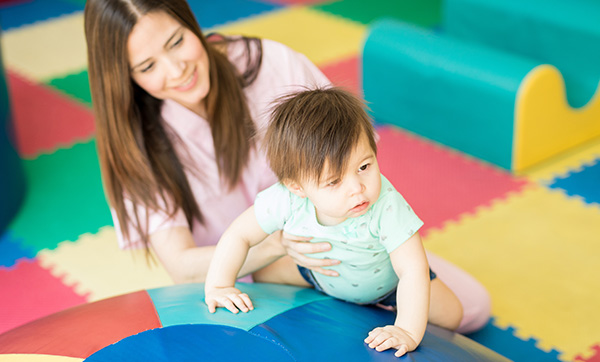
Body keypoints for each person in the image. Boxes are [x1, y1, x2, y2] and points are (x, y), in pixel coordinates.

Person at [84, 0, 490, 333]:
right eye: (148, 67)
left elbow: (355, 156)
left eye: (176, 42)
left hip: (349, 238)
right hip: (250, 274)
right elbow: (181, 266)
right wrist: (279, 245)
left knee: (470, 309)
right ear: (125, 77)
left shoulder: (266, 65)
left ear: (193, 26)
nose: (176, 71)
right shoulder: (133, 143)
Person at [205, 87, 464, 357]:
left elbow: (412, 270)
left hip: (389, 285)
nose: (357, 188)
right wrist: (220, 285)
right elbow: (238, 235)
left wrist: (407, 331)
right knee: (264, 273)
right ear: (297, 186)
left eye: (364, 167)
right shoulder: (285, 200)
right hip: (319, 274)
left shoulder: (386, 204)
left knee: (452, 315)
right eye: (334, 181)